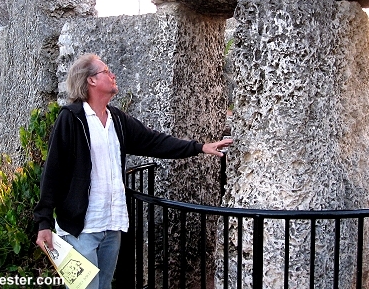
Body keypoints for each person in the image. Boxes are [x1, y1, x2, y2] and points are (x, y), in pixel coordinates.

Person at [34, 53, 233, 289]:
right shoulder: (71, 119)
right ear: (91, 80)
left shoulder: (116, 119)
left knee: (104, 286)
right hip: (78, 229)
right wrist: (43, 222)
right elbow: (53, 172)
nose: (113, 75)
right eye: (106, 71)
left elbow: (155, 142)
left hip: (112, 225)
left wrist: (200, 147)